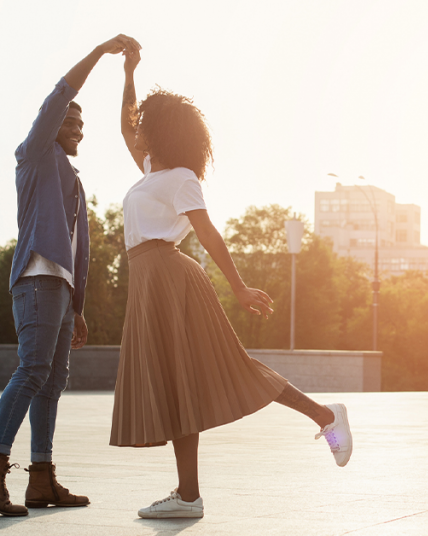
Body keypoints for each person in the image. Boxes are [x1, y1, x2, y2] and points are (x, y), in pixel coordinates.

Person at [110, 48, 353, 520]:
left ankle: (326, 417)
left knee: (224, 370)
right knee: (178, 383)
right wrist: (128, 72)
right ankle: (189, 496)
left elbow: (208, 234)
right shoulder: (150, 172)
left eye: (146, 123)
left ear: (163, 132)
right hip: (147, 280)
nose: (137, 127)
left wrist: (239, 288)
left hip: (170, 275)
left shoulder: (181, 178)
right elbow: (125, 123)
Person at [0, 34, 142, 517]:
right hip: (37, 280)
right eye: (72, 121)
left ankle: (40, 478)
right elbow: (60, 93)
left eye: (83, 124)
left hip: (60, 289)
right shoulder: (36, 154)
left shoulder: (74, 180)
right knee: (33, 371)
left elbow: (79, 251)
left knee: (52, 380)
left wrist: (78, 307)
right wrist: (102, 53)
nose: (79, 129)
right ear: (51, 125)